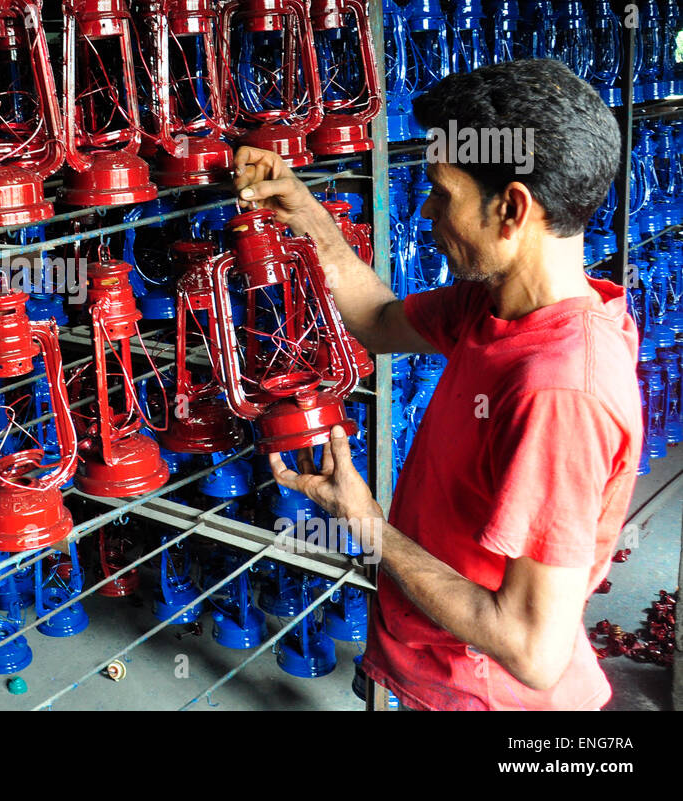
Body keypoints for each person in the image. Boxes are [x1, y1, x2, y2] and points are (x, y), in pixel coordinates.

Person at [233, 58, 642, 710]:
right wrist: (308, 214)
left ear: (511, 207)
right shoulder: (502, 305)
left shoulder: (561, 392)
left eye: (441, 192)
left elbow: (533, 650)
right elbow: (380, 321)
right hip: (433, 671)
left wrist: (369, 527)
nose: (426, 212)